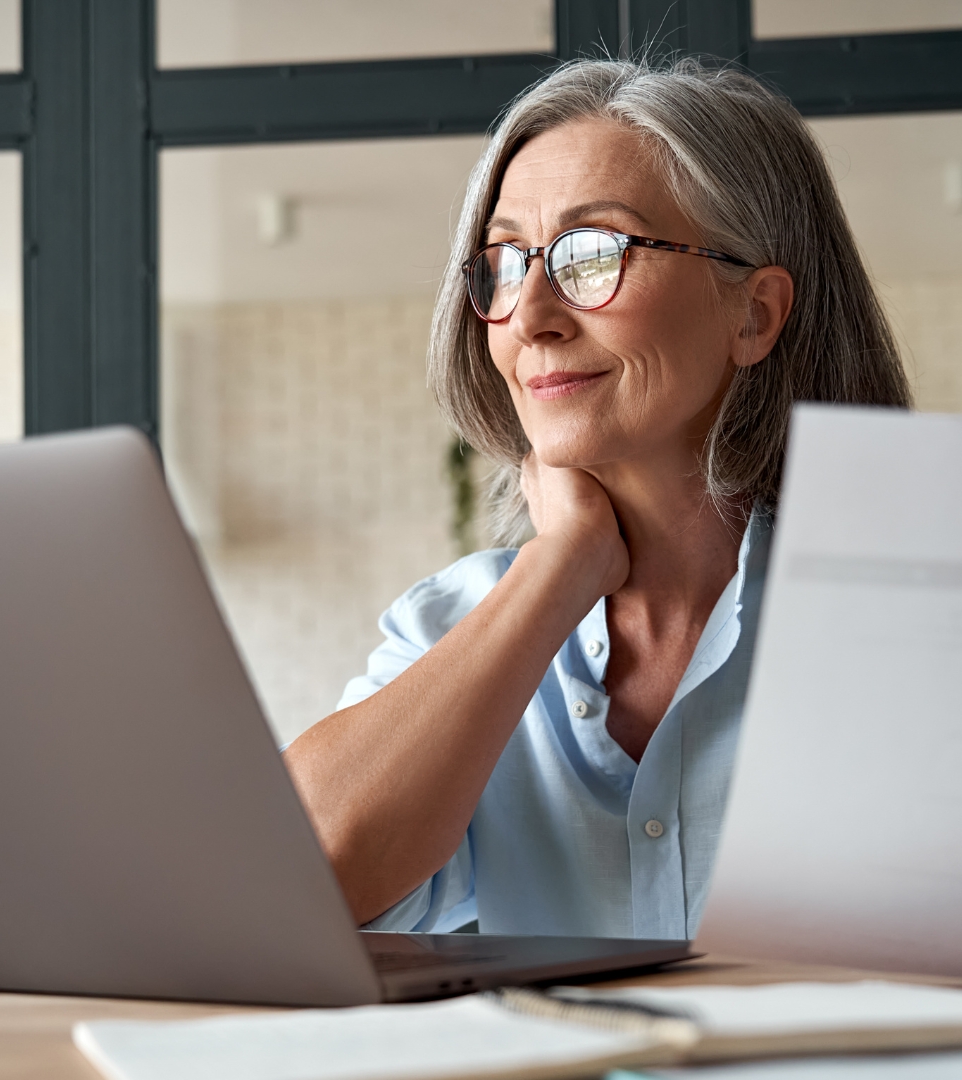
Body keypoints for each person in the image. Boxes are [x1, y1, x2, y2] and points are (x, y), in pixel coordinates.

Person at [282, 58, 911, 938]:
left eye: (595, 253)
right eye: (504, 262)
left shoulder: (916, 608)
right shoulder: (452, 627)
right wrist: (562, 566)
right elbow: (293, 884)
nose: (530, 312)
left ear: (755, 316)